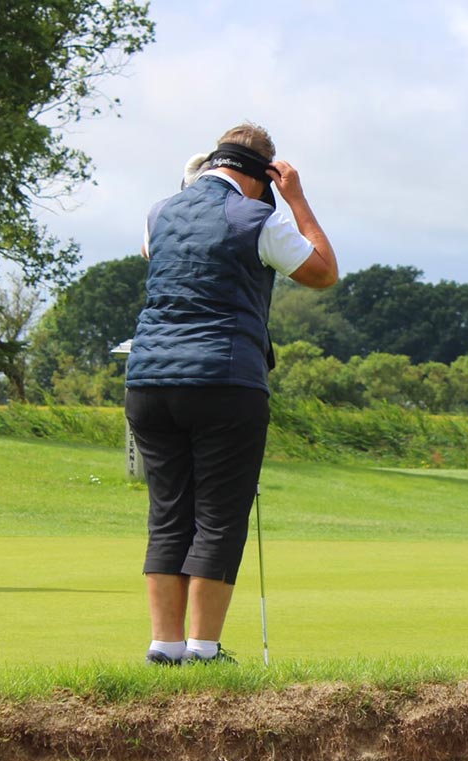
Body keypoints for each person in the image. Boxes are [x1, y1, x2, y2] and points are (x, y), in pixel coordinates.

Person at [126, 123, 338, 665]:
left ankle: (164, 647)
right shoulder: (257, 217)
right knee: (218, 515)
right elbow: (323, 272)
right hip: (223, 379)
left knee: (169, 512)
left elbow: (166, 257)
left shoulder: (159, 213)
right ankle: (202, 649)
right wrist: (296, 200)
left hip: (148, 380)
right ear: (264, 173)